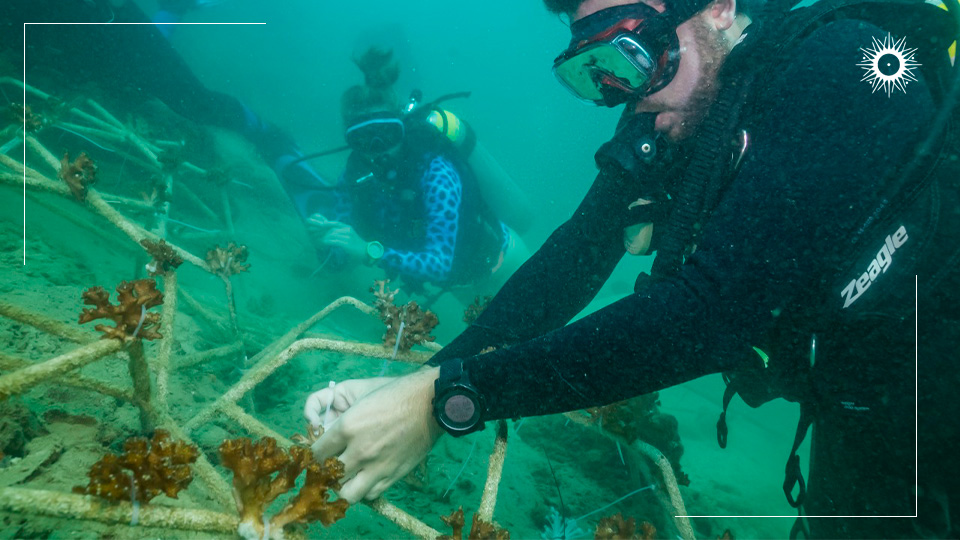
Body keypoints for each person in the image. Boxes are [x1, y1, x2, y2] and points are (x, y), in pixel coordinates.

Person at [304, 0, 960, 538]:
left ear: (721, 7)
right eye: (596, 73)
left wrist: (449, 401)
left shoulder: (847, 67)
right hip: (849, 397)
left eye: (631, 53)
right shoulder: (677, 109)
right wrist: (423, 380)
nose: (628, 95)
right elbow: (575, 253)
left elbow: (710, 314)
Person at [287, 48, 530, 302]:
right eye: (363, 139)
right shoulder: (353, 177)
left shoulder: (435, 172)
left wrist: (371, 251)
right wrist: (326, 239)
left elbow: (440, 263)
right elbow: (345, 250)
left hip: (507, 267)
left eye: (387, 134)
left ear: (401, 129)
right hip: (463, 286)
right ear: (351, 142)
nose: (378, 149)